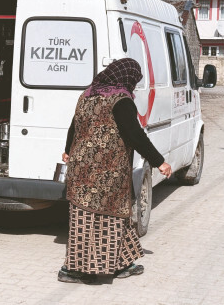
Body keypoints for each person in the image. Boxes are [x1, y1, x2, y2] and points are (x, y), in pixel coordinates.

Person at [59, 58, 172, 284]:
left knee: (95, 217)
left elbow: (76, 124)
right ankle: (73, 270)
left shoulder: (87, 94)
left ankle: (121, 264)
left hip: (81, 171)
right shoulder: (121, 101)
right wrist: (159, 161)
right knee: (102, 218)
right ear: (126, 78)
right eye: (134, 81)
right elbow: (135, 135)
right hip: (107, 173)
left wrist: (67, 150)